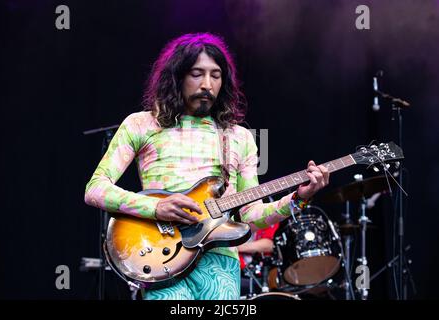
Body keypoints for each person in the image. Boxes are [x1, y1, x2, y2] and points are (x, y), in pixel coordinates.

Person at [84, 32, 329, 300]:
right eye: (196, 73)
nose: (207, 84)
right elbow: (95, 189)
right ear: (177, 76)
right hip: (161, 259)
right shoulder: (141, 124)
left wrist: (297, 199)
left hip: (220, 265)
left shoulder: (239, 137)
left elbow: (250, 215)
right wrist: (156, 207)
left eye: (215, 75)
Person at [238, 223, 279, 297]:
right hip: (236, 272)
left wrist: (238, 247)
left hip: (261, 274)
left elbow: (269, 245)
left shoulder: (270, 216)